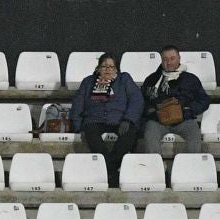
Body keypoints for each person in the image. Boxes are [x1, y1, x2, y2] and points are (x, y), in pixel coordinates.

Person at [71, 54, 142, 188]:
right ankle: (112, 172)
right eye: (104, 66)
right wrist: (78, 126)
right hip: (94, 119)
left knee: (129, 134)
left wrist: (128, 119)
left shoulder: (124, 79)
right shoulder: (88, 81)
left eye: (111, 66)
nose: (108, 70)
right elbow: (78, 104)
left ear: (116, 69)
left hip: (120, 119)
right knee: (90, 132)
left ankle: (108, 171)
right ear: (98, 69)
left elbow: (137, 100)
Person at [140, 47, 208, 155]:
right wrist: (152, 111)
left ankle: (188, 168)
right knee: (150, 133)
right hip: (158, 121)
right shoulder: (152, 79)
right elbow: (142, 101)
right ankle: (158, 169)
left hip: (184, 119)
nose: (169, 62)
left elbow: (204, 100)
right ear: (161, 61)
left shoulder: (190, 79)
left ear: (179, 59)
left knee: (194, 134)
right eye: (165, 59)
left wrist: (188, 109)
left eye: (172, 58)